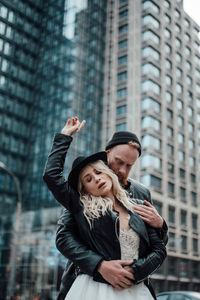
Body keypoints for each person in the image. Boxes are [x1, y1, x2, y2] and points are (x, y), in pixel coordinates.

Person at [43, 117, 167, 300]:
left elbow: (156, 246)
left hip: (136, 289)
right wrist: (99, 266)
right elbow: (64, 238)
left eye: (129, 166)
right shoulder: (82, 201)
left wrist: (160, 225)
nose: (123, 171)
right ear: (107, 154)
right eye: (119, 162)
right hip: (91, 283)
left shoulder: (141, 196)